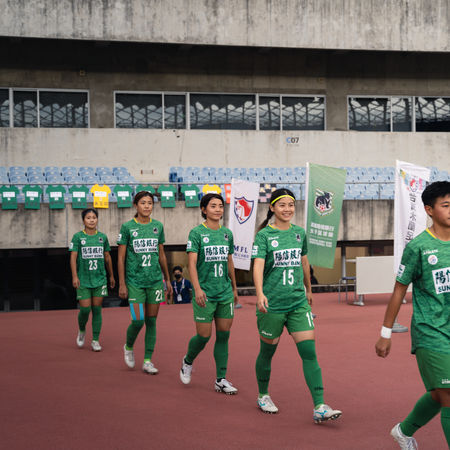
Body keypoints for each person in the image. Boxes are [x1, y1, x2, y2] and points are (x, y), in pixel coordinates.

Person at [252, 188, 342, 422]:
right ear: (272, 208)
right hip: (272, 304)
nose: (287, 209)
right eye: (282, 205)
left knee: (309, 352)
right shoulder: (264, 236)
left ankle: (319, 406)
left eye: (291, 205)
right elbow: (258, 265)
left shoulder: (299, 233)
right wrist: (260, 293)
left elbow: (304, 263)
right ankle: (263, 395)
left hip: (298, 303)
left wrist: (308, 289)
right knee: (267, 353)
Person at [375, 181, 450, 449]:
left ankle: (403, 431)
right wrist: (385, 333)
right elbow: (399, 290)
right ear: (429, 210)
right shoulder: (418, 247)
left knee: (440, 393)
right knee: (449, 394)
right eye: (446, 205)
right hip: (431, 332)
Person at [179, 193, 239, 394]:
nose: (218, 209)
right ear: (204, 209)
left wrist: (234, 287)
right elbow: (192, 263)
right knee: (204, 336)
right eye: (213, 206)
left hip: (225, 292)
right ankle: (188, 361)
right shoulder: (196, 233)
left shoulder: (227, 234)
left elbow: (229, 261)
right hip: (205, 293)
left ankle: (221, 379)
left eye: (220, 206)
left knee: (223, 335)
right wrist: (197, 288)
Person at [118, 190, 173, 374]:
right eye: (143, 203)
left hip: (155, 281)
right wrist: (122, 283)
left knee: (151, 321)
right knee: (138, 320)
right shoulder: (127, 227)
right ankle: (128, 346)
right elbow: (121, 258)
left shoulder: (157, 226)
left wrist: (167, 279)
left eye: (150, 203)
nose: (147, 206)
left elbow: (161, 254)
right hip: (135, 282)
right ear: (136, 205)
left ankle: (148, 360)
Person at [69, 208, 115, 352]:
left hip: (99, 279)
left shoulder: (102, 237)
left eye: (94, 217)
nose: (91, 220)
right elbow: (73, 257)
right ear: (83, 220)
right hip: (83, 279)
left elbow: (107, 257)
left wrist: (111, 275)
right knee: (85, 309)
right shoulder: (77, 237)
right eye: (88, 218)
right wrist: (74, 276)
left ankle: (95, 340)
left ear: (97, 219)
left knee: (97, 309)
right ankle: (82, 330)